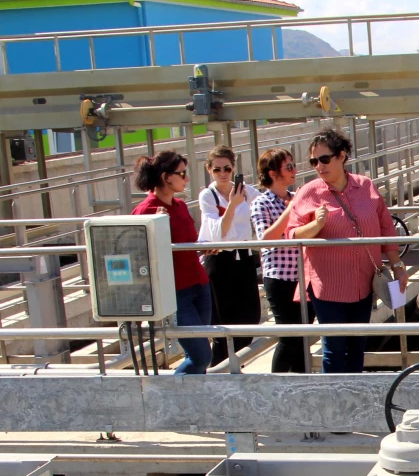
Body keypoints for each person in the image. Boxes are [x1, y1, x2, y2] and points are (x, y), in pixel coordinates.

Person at [285, 129, 408, 374]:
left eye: (324, 159)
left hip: (363, 282)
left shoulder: (365, 186)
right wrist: (316, 225)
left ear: (341, 156)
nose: (319, 166)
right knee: (333, 347)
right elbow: (291, 235)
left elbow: (386, 227)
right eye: (313, 161)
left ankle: (355, 398)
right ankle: (335, 401)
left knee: (357, 345)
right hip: (328, 286)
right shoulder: (308, 192)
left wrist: (398, 266)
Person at [131, 151, 211, 375]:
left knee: (199, 352)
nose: (186, 179)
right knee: (201, 355)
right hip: (176, 291)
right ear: (166, 177)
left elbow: (189, 242)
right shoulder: (145, 211)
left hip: (198, 284)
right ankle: (171, 394)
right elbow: (139, 253)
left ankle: (189, 402)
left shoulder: (180, 205)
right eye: (182, 173)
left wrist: (204, 247)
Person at [198, 145, 261, 366]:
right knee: (223, 325)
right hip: (220, 259)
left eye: (227, 168)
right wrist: (233, 205)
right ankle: (219, 371)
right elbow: (219, 231)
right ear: (209, 170)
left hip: (243, 258)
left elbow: (264, 204)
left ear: (233, 168)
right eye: (217, 170)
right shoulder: (208, 195)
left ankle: (237, 367)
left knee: (250, 318)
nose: (223, 174)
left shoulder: (245, 190)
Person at [250, 148, 307, 373]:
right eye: (289, 167)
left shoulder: (296, 199)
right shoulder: (261, 202)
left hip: (302, 276)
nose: (294, 171)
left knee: (303, 337)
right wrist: (291, 210)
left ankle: (302, 386)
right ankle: (276, 385)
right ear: (273, 173)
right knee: (289, 337)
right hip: (279, 276)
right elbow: (266, 239)